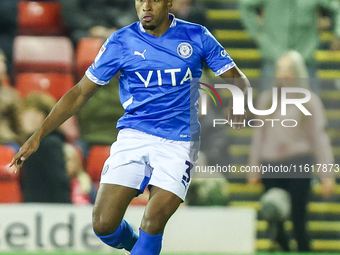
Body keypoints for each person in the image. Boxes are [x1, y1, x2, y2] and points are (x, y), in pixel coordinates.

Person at [11, 0, 249, 254]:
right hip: (134, 137)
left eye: (154, 0)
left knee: (153, 220)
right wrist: (38, 135)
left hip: (179, 142)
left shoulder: (197, 36)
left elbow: (238, 79)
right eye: (140, 0)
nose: (146, 6)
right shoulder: (121, 41)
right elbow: (80, 92)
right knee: (104, 225)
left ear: (169, 2)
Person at [248, 50, 336, 252]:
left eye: (289, 69)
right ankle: (284, 249)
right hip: (271, 164)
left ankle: (303, 249)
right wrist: (254, 169)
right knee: (274, 216)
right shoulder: (266, 100)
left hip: (299, 164)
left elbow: (320, 140)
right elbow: (258, 137)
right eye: (280, 69)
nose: (284, 74)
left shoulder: (310, 102)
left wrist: (327, 175)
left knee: (298, 217)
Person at [240, 0, 340, 92]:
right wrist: (258, 35)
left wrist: (338, 34)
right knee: (268, 106)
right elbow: (246, 6)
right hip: (274, 57)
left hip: (305, 58)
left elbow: (337, 9)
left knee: (310, 107)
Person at [19, 92, 71, 203]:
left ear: (40, 117)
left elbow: (59, 182)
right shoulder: (35, 144)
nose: (21, 118)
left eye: (25, 113)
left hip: (47, 211)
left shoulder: (49, 143)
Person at [60, 0, 137, 45]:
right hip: (87, 29)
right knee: (80, 39)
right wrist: (91, 26)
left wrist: (120, 28)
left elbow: (136, 9)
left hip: (122, 28)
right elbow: (71, 10)